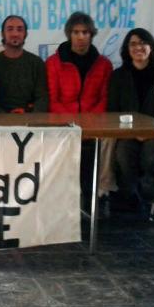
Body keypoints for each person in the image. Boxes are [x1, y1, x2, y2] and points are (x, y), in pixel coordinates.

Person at [46, 12, 113, 211]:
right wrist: (74, 123)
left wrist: (88, 124)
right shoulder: (53, 63)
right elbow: (52, 99)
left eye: (85, 32)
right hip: (63, 123)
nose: (81, 36)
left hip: (94, 125)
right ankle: (65, 201)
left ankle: (98, 196)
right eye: (76, 32)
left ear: (91, 34)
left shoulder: (104, 64)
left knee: (104, 145)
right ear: (69, 34)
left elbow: (104, 99)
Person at [108, 28, 154, 216]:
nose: (138, 47)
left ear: (151, 47)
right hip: (127, 134)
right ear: (126, 49)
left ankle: (149, 195)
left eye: (143, 43)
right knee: (123, 154)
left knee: (150, 156)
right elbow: (113, 110)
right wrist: (132, 133)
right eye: (133, 44)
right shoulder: (119, 76)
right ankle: (132, 197)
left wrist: (149, 132)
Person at [0, 15, 48, 113]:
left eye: (19, 29)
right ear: (2, 34)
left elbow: (42, 98)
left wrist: (28, 113)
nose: (15, 33)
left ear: (25, 34)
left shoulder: (37, 63)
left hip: (30, 121)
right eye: (10, 29)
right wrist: (7, 117)